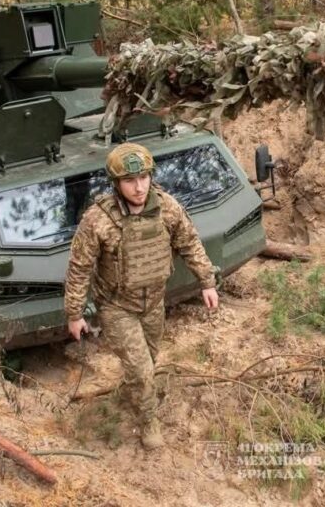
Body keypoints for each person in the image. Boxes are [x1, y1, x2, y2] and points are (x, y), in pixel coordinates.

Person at [63, 143, 219, 450]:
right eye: (130, 181)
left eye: (144, 178)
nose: (139, 187)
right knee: (144, 370)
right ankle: (149, 422)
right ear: (117, 184)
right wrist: (74, 313)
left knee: (148, 360)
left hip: (154, 303)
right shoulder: (98, 220)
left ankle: (133, 388)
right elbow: (79, 267)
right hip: (117, 306)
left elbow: (189, 243)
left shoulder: (167, 207)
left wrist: (207, 282)